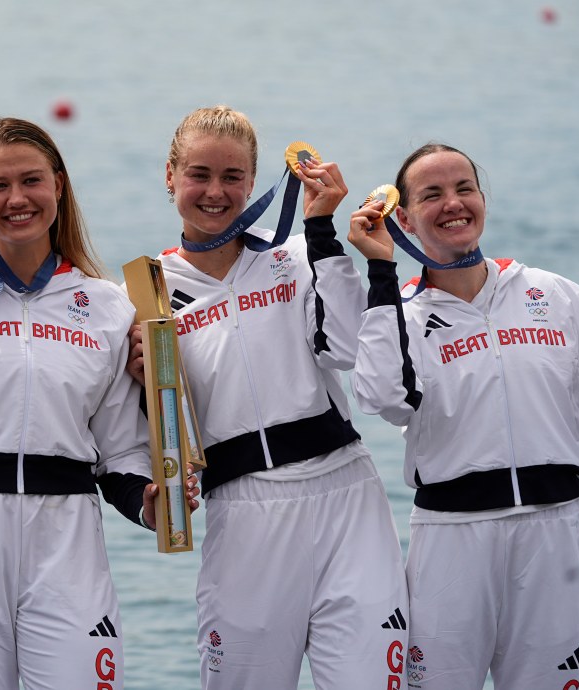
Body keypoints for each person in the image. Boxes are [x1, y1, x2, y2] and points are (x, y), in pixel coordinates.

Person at [0, 117, 197, 690]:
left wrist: (149, 502)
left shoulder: (105, 305)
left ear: (59, 186)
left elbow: (117, 448)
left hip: (65, 541)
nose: (16, 199)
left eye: (32, 181)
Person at [126, 105, 409, 690]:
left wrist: (323, 228)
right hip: (244, 512)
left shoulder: (300, 256)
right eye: (199, 174)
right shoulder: (145, 293)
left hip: (346, 499)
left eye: (233, 177)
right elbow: (137, 429)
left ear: (253, 182)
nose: (215, 192)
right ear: (170, 175)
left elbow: (348, 349)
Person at [349, 143, 579, 689]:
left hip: (553, 532)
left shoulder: (555, 295)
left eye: (464, 187)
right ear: (404, 218)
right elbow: (381, 394)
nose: (453, 203)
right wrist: (379, 272)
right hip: (452, 540)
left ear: (482, 198)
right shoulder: (403, 315)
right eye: (432, 194)